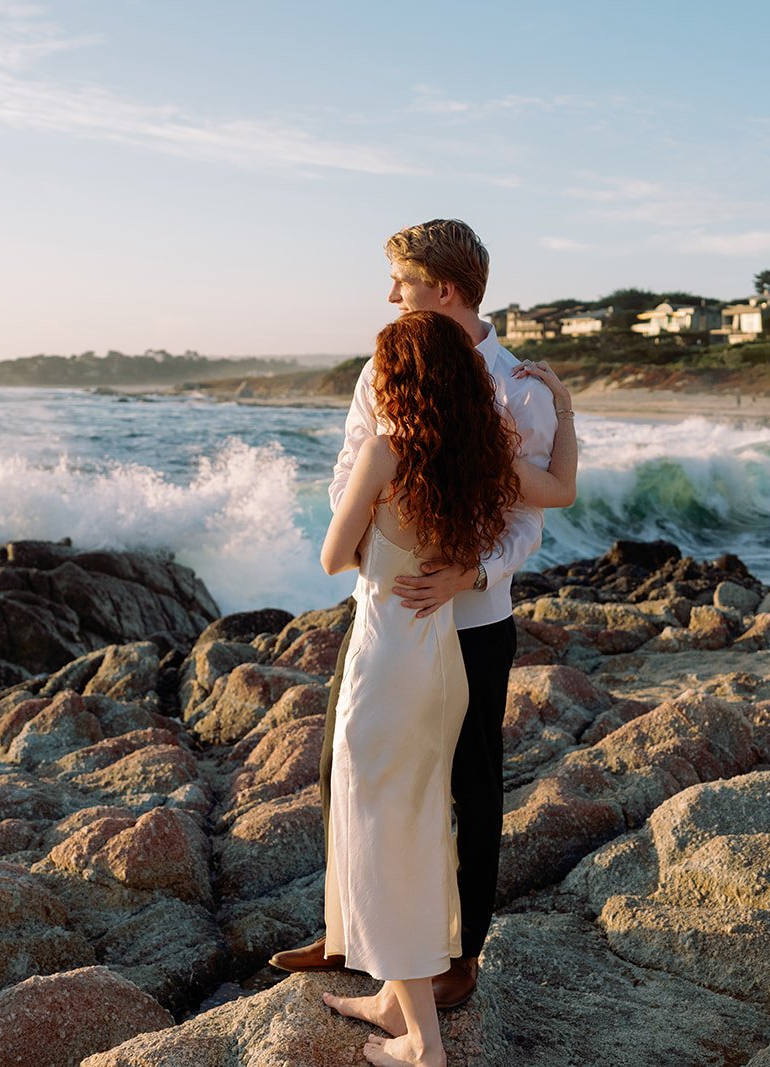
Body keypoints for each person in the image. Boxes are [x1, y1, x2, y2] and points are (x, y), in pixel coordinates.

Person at [272, 219, 567, 992]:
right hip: (388, 610)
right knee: (349, 767)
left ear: (443, 288)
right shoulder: (383, 368)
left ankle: (460, 956)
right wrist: (380, 534)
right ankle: (347, 932)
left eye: (401, 282)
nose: (390, 296)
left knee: (469, 783)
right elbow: (351, 466)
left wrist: (470, 569)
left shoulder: (519, 389)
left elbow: (529, 521)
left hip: (473, 622)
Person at [316, 309, 576, 1066]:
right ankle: (395, 999)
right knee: (421, 827)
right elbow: (558, 488)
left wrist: (371, 529)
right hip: (442, 665)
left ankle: (423, 1041)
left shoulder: (384, 450)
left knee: (378, 831)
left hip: (387, 659)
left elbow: (335, 556)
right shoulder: (483, 455)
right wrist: (560, 407)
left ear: (399, 380)